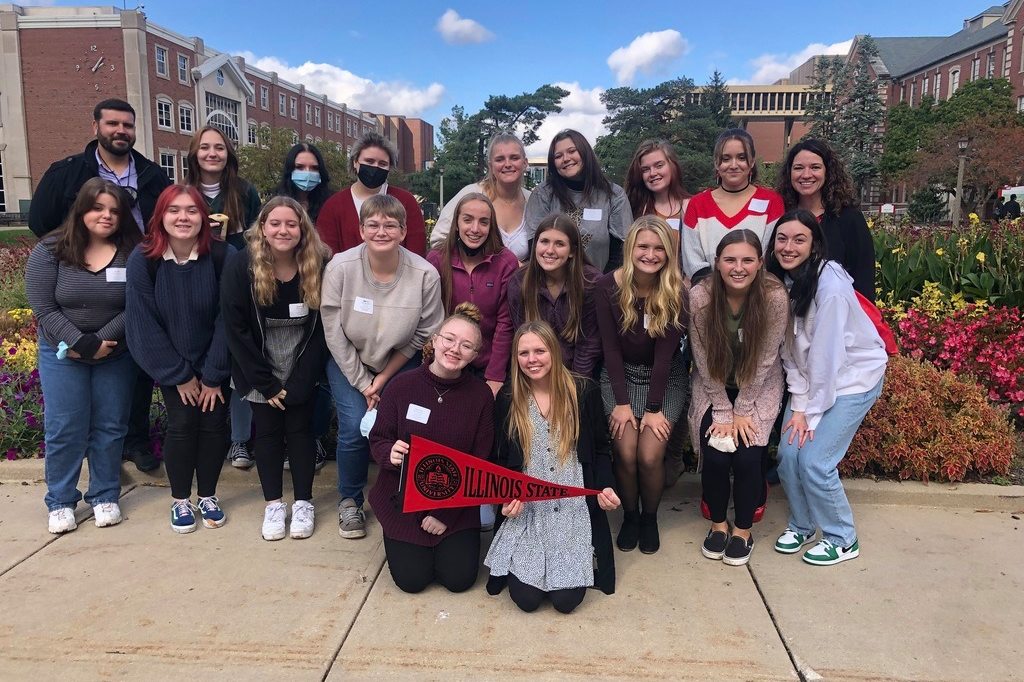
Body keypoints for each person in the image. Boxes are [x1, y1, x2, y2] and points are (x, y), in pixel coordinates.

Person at [29, 98, 172, 473]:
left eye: (127, 124)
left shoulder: (152, 174)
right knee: (69, 413)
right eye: (112, 124)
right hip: (74, 277)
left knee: (135, 372)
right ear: (96, 127)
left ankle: (135, 441)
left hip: (135, 271)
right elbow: (40, 219)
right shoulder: (68, 171)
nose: (120, 131)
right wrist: (73, 255)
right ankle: (67, 488)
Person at [766, 209, 888, 566]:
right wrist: (800, 403)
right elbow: (790, 350)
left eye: (799, 239)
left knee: (816, 461)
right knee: (789, 457)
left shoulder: (830, 288)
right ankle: (802, 525)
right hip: (810, 383)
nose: (789, 246)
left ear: (815, 244)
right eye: (782, 239)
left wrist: (809, 413)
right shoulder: (783, 282)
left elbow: (827, 359)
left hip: (851, 381)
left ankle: (842, 537)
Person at [321, 194, 444, 540]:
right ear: (361, 230)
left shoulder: (424, 274)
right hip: (349, 361)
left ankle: (406, 494)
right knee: (352, 427)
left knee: (407, 427)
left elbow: (426, 332)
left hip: (400, 363)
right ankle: (350, 499)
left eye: (390, 224)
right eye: (373, 224)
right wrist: (364, 383)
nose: (381, 231)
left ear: (404, 231)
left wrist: (385, 378)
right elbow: (333, 329)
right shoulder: (340, 269)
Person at [26, 178, 142, 534]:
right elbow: (43, 307)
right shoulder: (50, 250)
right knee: (65, 427)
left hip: (115, 355)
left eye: (114, 210)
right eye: (98, 208)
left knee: (110, 426)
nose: (106, 216)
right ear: (82, 209)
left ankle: (105, 494)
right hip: (62, 354)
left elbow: (137, 303)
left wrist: (101, 340)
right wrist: (79, 341)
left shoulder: (132, 252)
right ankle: (60, 500)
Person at [485, 321, 620, 614]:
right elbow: (500, 458)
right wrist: (504, 497)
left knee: (565, 602)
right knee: (527, 601)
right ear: (515, 358)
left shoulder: (583, 391)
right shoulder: (509, 398)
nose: (532, 359)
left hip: (572, 509)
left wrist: (606, 486)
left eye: (539, 350)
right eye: (523, 353)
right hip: (529, 509)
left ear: (554, 352)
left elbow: (600, 448)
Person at [125, 185, 234, 533]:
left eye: (191, 210)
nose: (183, 217)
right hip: (174, 365)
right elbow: (143, 323)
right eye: (174, 210)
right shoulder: (144, 260)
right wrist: (179, 375)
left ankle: (207, 495)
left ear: (204, 217)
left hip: (215, 361)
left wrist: (214, 374)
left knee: (214, 424)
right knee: (183, 424)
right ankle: (180, 500)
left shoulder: (222, 256)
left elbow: (228, 319)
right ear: (160, 216)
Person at [221, 197, 330, 540]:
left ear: (302, 229)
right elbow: (236, 329)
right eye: (275, 223)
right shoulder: (241, 266)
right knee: (266, 433)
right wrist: (265, 384)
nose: (284, 230)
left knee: (300, 432)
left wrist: (301, 380)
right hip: (257, 362)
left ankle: (303, 503)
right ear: (263, 228)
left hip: (301, 360)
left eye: (292, 224)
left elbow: (325, 328)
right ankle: (273, 504)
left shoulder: (319, 264)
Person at [368, 303, 494, 593]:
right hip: (402, 502)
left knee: (458, 580)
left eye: (466, 346)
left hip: (456, 505)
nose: (455, 349)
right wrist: (390, 453)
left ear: (475, 355)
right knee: (412, 581)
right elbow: (378, 438)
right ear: (435, 340)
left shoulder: (481, 396)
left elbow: (480, 460)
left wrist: (445, 514)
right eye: (449, 339)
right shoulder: (401, 386)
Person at [688, 230, 788, 566]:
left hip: (758, 387)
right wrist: (722, 409)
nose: (738, 267)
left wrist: (743, 409)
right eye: (730, 259)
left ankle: (743, 530)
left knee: (747, 458)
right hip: (713, 384)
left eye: (747, 260)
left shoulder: (774, 297)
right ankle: (718, 525)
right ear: (716, 263)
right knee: (716, 454)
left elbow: (765, 360)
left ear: (760, 263)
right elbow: (701, 358)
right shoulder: (701, 296)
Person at [595, 216, 687, 554]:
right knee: (625, 452)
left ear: (669, 252)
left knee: (649, 456)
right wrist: (621, 403)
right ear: (630, 248)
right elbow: (610, 349)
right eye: (643, 246)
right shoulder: (608, 286)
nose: (650, 254)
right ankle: (630, 515)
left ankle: (649, 517)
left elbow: (665, 356)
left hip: (664, 378)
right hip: (621, 375)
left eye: (659, 247)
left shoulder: (676, 290)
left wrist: (652, 410)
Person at [183, 125, 263, 470]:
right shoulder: (183, 193)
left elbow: (260, 237)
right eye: (205, 147)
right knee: (201, 358)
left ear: (229, 153)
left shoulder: (244, 191)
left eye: (219, 147)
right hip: (193, 281)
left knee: (238, 361)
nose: (212, 153)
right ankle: (204, 432)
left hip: (237, 282)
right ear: (194, 153)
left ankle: (240, 440)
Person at [427, 192, 518, 396]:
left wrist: (494, 376)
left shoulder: (505, 262)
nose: (475, 229)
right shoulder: (437, 259)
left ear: (491, 227)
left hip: (487, 364)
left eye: (483, 222)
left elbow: (505, 323)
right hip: (446, 359)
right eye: (468, 220)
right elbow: (430, 318)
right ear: (457, 224)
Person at [775, 139, 875, 301]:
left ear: (828, 172)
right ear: (789, 173)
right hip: (786, 316)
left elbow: (863, 279)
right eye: (798, 168)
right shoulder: (781, 214)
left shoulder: (849, 219)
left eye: (815, 167)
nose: (806, 175)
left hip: (836, 317)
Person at [682, 128, 784, 284]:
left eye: (741, 157)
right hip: (709, 297)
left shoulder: (772, 202)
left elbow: (772, 255)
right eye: (726, 158)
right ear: (716, 163)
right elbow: (692, 259)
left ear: (752, 161)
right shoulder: (697, 204)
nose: (734, 165)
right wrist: (717, 291)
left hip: (759, 295)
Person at [524, 129, 632, 273]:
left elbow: (621, 249)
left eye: (571, 151)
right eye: (558, 156)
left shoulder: (613, 195)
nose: (566, 158)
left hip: (600, 285)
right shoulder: (543, 194)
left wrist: (602, 284)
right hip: (553, 284)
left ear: (585, 152)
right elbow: (535, 245)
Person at [506, 214, 601, 376]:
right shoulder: (519, 282)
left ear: (572, 251)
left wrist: (577, 386)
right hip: (534, 370)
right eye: (544, 242)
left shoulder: (591, 283)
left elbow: (589, 344)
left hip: (577, 374)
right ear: (535, 245)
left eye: (559, 244)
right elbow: (522, 340)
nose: (550, 250)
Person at [317, 132, 426, 256]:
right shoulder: (333, 206)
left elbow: (417, 251)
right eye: (369, 161)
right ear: (355, 162)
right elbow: (327, 254)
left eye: (382, 164)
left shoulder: (406, 201)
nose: (375, 168)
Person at [429, 132, 532, 261]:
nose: (507, 164)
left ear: (525, 162)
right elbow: (438, 240)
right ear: (491, 166)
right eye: (500, 159)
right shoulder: (471, 194)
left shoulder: (533, 200)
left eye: (514, 158)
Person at [624, 139, 691, 254]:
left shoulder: (693, 205)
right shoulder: (633, 209)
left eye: (659, 166)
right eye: (645, 169)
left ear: (672, 165)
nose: (653, 173)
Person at [270, 143, 334, 224]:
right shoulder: (274, 205)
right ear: (290, 170)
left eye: (314, 168)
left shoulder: (332, 204)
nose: (307, 172)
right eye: (300, 167)